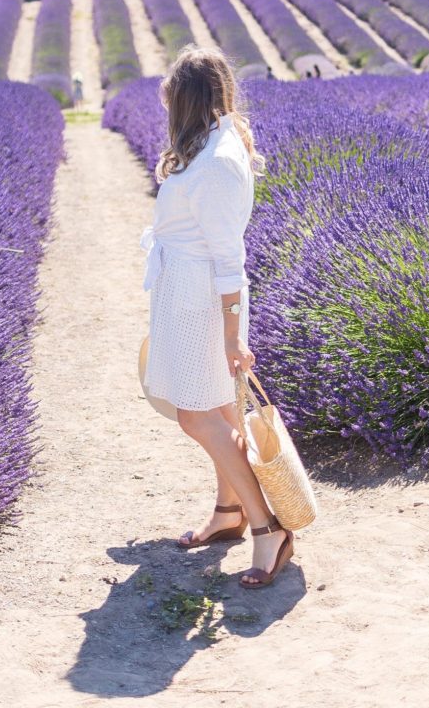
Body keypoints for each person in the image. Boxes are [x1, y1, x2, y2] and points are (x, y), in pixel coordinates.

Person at [140, 46, 295, 589]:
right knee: (222, 416)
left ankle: (266, 526)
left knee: (197, 416)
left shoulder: (221, 161)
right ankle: (229, 515)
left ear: (188, 101)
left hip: (203, 302)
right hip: (187, 293)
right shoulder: (210, 145)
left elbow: (230, 260)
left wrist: (235, 337)